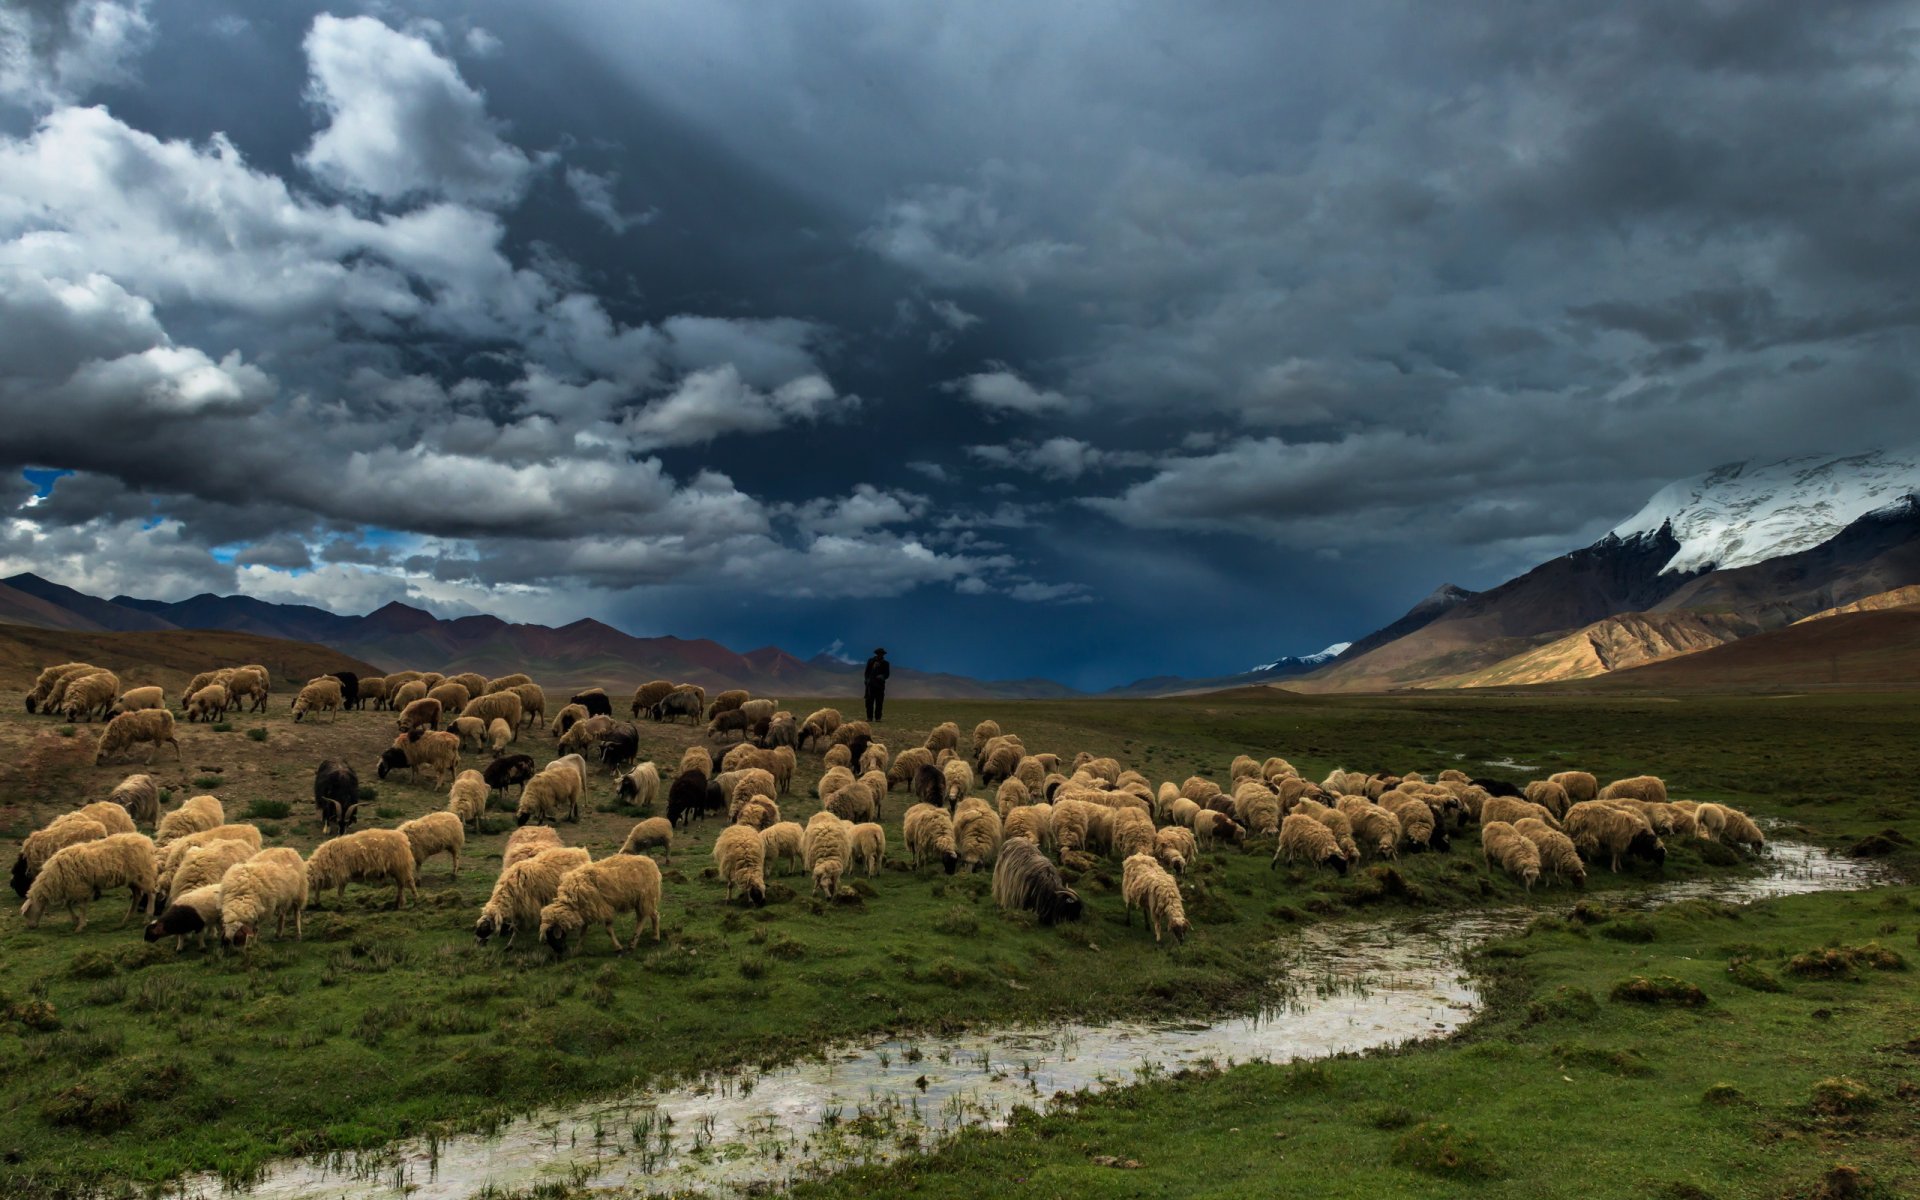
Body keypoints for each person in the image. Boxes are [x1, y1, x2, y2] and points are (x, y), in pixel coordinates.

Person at [863, 647, 890, 722]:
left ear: (883, 655)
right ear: (877, 654)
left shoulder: (885, 663)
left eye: (881, 654)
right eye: (879, 654)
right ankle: (869, 718)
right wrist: (866, 680)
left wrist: (882, 676)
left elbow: (887, 674)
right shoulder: (871, 661)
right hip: (870, 685)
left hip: (880, 686)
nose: (880, 655)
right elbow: (866, 672)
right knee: (869, 703)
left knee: (879, 703)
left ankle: (878, 718)